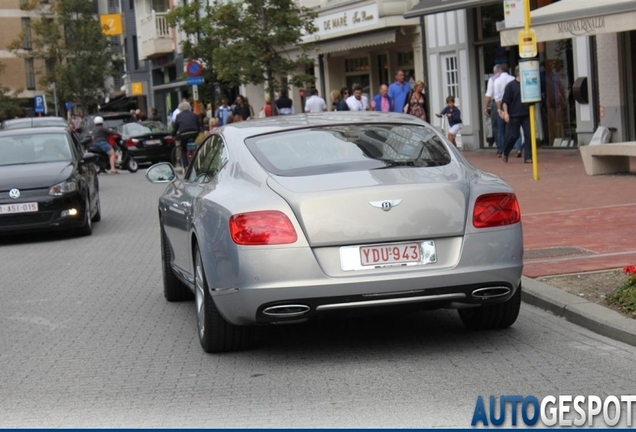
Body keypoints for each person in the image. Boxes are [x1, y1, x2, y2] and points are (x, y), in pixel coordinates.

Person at [501, 65, 531, 163]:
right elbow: (505, 101)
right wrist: (506, 113)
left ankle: (528, 157)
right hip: (514, 114)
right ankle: (505, 152)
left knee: (528, 135)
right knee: (514, 135)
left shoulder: (526, 84)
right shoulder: (510, 86)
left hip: (525, 114)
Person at [493, 63, 515, 158]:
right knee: (513, 128)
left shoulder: (497, 81)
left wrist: (499, 109)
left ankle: (502, 150)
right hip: (512, 105)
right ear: (508, 70)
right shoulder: (513, 79)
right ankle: (518, 149)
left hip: (502, 105)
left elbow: (497, 97)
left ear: (500, 71)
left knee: (501, 130)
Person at [173, 102, 201, 169]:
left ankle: (186, 166)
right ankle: (197, 159)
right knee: (195, 144)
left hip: (184, 134)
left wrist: (173, 135)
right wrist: (198, 132)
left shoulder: (179, 116)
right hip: (194, 132)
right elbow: (199, 125)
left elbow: (175, 128)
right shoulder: (194, 114)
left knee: (183, 149)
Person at [483, 64, 501, 151]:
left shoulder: (492, 79)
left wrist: (485, 107)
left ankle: (499, 146)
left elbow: (488, 95)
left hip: (495, 103)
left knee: (495, 125)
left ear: (495, 71)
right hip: (508, 103)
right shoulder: (509, 78)